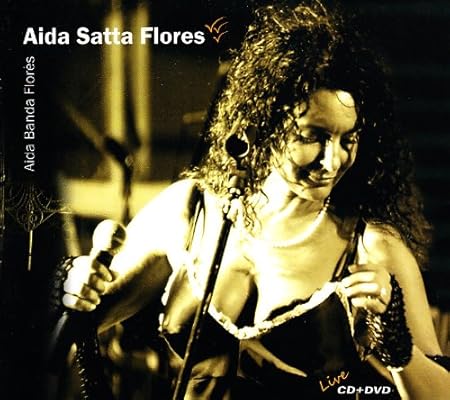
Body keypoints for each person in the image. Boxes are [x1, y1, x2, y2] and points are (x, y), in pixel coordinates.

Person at [52, 1, 450, 398]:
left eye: (349, 139)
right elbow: (71, 330)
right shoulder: (190, 211)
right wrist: (74, 286)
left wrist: (397, 344)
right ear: (265, 125)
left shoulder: (371, 248)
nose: (332, 160)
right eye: (312, 136)